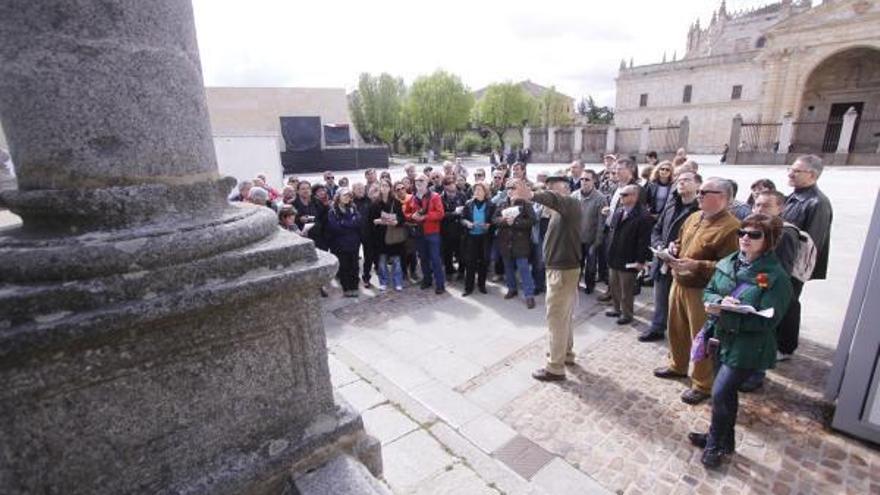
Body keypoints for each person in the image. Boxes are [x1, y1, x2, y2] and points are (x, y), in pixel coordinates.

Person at [689, 213, 792, 468]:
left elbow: (769, 320)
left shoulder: (775, 276)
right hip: (719, 339)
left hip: (748, 347)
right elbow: (710, 290)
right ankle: (727, 440)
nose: (745, 238)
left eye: (754, 235)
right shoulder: (729, 262)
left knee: (720, 392)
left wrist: (729, 313)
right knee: (726, 394)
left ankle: (714, 444)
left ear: (768, 240)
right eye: (742, 233)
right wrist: (717, 302)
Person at [654, 178, 740, 405]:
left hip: (703, 291)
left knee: (700, 338)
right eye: (699, 192)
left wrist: (697, 265)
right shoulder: (694, 217)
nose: (699, 195)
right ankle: (678, 365)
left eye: (704, 192)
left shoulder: (732, 227)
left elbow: (730, 266)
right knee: (677, 329)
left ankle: (703, 384)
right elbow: (681, 240)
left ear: (722, 197)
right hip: (679, 282)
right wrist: (674, 247)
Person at [509, 175, 582, 381]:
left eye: (554, 187)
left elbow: (555, 199)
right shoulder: (558, 212)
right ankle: (566, 354)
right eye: (547, 186)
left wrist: (531, 194)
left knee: (556, 318)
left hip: (562, 272)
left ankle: (555, 367)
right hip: (561, 270)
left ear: (566, 189)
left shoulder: (571, 204)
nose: (549, 191)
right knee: (564, 317)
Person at [737, 190, 801, 392]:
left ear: (780, 208)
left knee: (762, 336)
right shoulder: (752, 228)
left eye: (765, 206)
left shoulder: (784, 233)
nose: (758, 209)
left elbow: (781, 269)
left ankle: (756, 375)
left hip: (764, 293)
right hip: (747, 287)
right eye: (756, 205)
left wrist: (759, 288)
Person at [779, 154, 833, 359]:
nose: (790, 174)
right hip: (782, 260)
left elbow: (811, 243)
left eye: (796, 171)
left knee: (789, 303)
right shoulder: (794, 196)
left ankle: (785, 347)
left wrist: (794, 271)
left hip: (794, 266)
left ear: (811, 175)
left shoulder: (817, 203)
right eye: (790, 170)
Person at [641, 171, 701, 342]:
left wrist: (679, 249)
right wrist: (659, 245)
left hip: (683, 262)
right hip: (663, 258)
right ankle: (657, 327)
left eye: (687, 180)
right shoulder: (671, 205)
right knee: (659, 296)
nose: (681, 183)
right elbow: (657, 228)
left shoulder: (699, 210)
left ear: (697, 185)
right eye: (679, 180)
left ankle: (682, 335)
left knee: (680, 302)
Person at [605, 184, 652, 324]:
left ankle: (627, 314)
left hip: (629, 257)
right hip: (614, 255)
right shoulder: (619, 211)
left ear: (634, 197)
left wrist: (640, 261)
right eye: (620, 195)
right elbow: (612, 230)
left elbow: (644, 242)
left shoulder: (643, 216)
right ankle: (616, 309)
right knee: (614, 286)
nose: (621, 197)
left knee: (627, 290)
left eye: (624, 195)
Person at [494, 186, 537, 309]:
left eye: (513, 189)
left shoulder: (525, 204)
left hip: (520, 243)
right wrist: (504, 221)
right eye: (509, 189)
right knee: (508, 268)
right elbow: (494, 219)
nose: (511, 191)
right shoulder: (502, 204)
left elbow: (533, 220)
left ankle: (529, 296)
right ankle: (512, 289)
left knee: (524, 269)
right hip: (505, 242)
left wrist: (516, 222)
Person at [404, 174, 446, 294]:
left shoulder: (435, 196)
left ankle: (440, 284)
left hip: (432, 232)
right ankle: (427, 280)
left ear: (427, 182)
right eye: (416, 181)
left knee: (435, 259)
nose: (418, 183)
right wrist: (412, 216)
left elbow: (440, 213)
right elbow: (406, 213)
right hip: (419, 233)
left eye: (421, 180)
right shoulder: (412, 198)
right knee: (423, 258)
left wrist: (425, 217)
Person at [570, 169, 605, 294]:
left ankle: (590, 286)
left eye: (587, 179)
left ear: (594, 181)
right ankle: (575, 285)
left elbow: (601, 222)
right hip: (576, 239)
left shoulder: (600, 198)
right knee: (576, 264)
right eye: (582, 179)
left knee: (591, 266)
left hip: (591, 240)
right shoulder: (574, 196)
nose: (584, 182)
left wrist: (597, 242)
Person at [326, 188, 362, 297]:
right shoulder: (333, 211)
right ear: (339, 197)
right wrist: (350, 223)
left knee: (354, 266)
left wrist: (344, 223)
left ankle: (354, 287)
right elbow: (335, 227)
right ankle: (346, 288)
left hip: (353, 243)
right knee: (344, 267)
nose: (347, 198)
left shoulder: (353, 208)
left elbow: (358, 222)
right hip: (339, 244)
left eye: (349, 196)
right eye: (344, 195)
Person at [371, 180, 406, 292]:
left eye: (386, 186)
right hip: (380, 237)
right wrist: (378, 221)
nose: (384, 188)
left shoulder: (396, 202)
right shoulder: (375, 203)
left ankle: (398, 282)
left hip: (393, 236)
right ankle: (383, 282)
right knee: (382, 261)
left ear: (390, 188)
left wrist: (396, 222)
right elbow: (371, 220)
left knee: (396, 261)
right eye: (382, 186)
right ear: (380, 188)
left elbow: (402, 218)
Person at [460, 182, 495, 296]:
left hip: (484, 237)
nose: (477, 192)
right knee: (470, 262)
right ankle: (468, 287)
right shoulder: (468, 204)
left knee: (483, 262)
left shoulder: (491, 205)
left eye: (480, 190)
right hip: (471, 237)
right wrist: (468, 224)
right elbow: (462, 219)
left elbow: (494, 221)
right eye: (475, 190)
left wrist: (489, 225)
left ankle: (482, 285)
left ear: (485, 192)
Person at [440, 177, 467, 280]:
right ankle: (449, 272)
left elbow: (467, 208)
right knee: (448, 253)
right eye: (447, 184)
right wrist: (454, 213)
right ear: (444, 186)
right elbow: (441, 214)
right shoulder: (441, 198)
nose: (450, 186)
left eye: (452, 183)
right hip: (446, 230)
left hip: (460, 229)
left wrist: (462, 212)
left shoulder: (462, 195)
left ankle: (461, 272)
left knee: (461, 253)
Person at [354, 183, 378, 288]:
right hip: (354, 234)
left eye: (362, 188)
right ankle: (354, 277)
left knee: (368, 257)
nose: (360, 190)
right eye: (357, 189)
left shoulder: (369, 201)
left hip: (368, 233)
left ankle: (366, 277)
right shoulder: (350, 201)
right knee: (354, 257)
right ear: (353, 190)